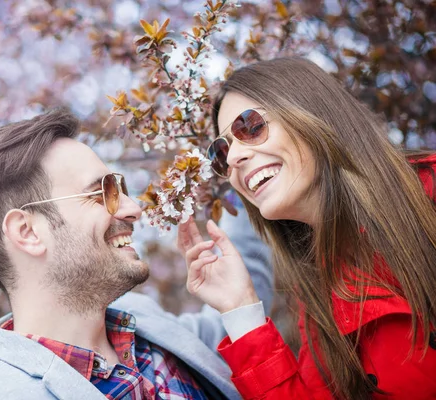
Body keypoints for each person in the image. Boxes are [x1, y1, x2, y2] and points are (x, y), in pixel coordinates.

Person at [0, 108, 271, 399]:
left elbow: (237, 325)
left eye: (120, 189)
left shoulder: (145, 326)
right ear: (28, 232)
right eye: (100, 193)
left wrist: (242, 168)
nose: (134, 210)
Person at [178, 57, 436, 399]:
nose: (235, 157)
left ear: (311, 111)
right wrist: (240, 309)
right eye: (222, 152)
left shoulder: (428, 199)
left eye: (250, 126)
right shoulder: (320, 299)